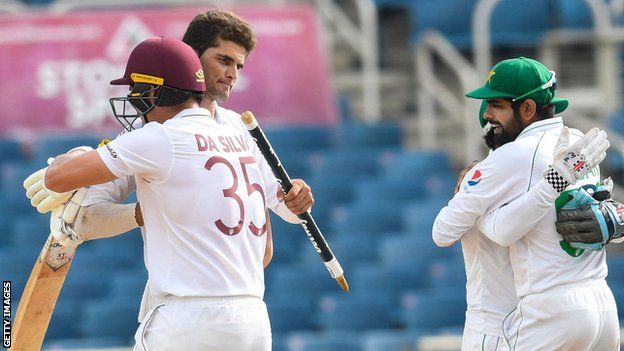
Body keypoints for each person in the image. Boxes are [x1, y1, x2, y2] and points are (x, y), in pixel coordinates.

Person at [23, 9, 314, 335]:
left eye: (238, 65)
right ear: (192, 59)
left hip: (184, 313)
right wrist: (144, 212)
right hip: (252, 317)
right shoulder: (239, 132)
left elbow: (78, 216)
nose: (233, 73)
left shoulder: (159, 134)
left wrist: (294, 203)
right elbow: (90, 216)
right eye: (224, 60)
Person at [434, 56, 619, 350]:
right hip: (602, 307)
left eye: (496, 105)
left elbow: (443, 231)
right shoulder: (578, 141)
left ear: (528, 108)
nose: (487, 115)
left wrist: (467, 199)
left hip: (549, 311)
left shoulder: (512, 155)